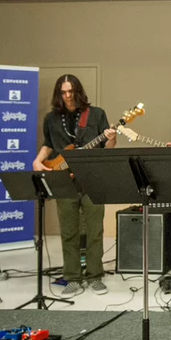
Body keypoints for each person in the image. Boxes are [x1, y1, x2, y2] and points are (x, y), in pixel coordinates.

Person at [32, 75, 117, 297]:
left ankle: (95, 276)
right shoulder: (51, 118)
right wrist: (37, 160)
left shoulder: (96, 114)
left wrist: (111, 136)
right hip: (63, 179)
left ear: (78, 91)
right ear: (58, 94)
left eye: (71, 91)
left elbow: (108, 145)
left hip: (92, 179)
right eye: (63, 92)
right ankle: (72, 277)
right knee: (68, 231)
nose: (68, 96)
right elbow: (49, 144)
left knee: (94, 229)